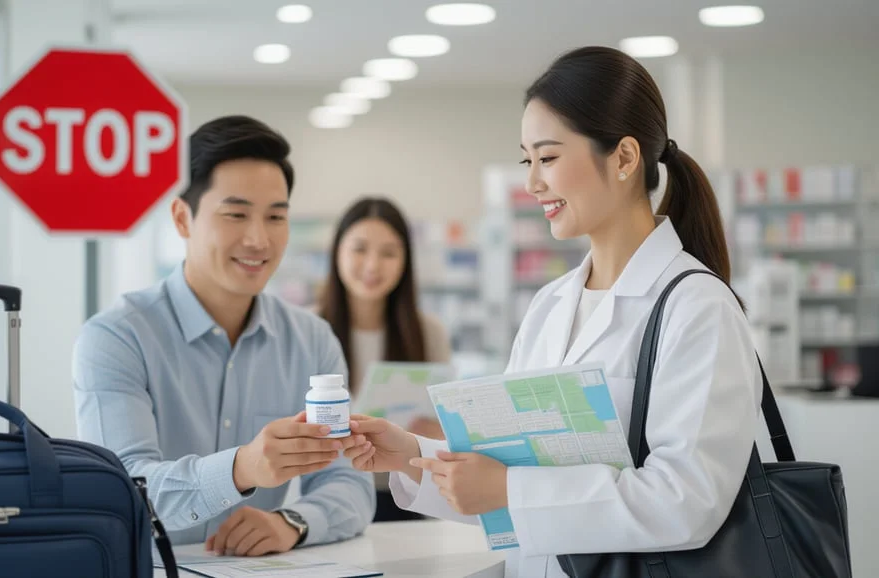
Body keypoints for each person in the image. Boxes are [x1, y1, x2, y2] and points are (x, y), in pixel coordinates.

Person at [342, 46, 763, 577]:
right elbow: (505, 485)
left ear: (624, 158)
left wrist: (510, 489)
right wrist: (410, 455)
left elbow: (687, 502)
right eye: (528, 160)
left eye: (548, 158)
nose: (532, 183)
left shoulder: (697, 306)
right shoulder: (550, 305)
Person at [72, 115, 375, 558]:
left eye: (276, 217)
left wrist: (293, 521)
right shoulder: (117, 337)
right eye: (236, 214)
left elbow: (348, 481)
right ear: (182, 218)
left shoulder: (312, 340)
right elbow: (126, 488)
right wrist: (241, 468)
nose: (258, 239)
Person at [317, 196, 453, 522]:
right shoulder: (310, 329)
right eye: (360, 249)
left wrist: (436, 432)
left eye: (389, 253)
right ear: (337, 252)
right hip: (327, 493)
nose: (372, 265)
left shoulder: (429, 333)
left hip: (406, 494)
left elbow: (444, 429)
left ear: (406, 261)